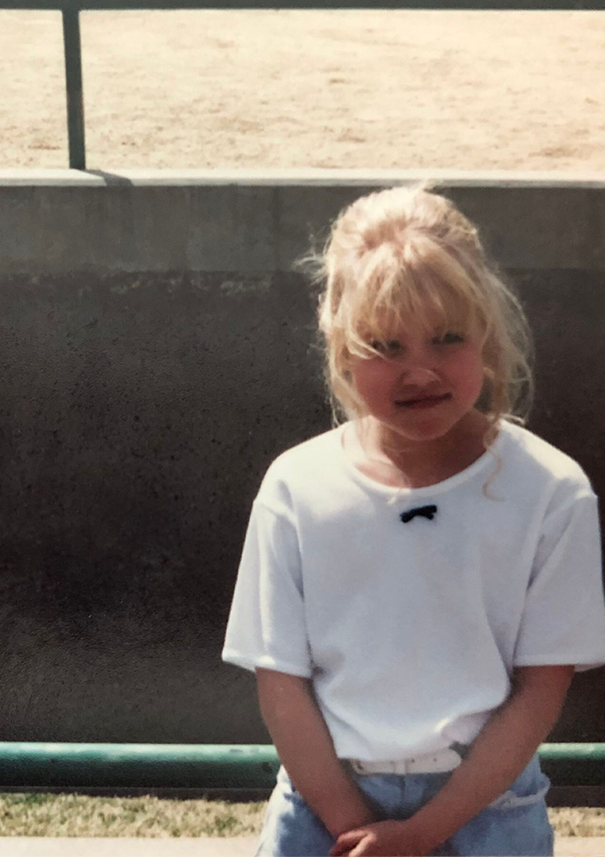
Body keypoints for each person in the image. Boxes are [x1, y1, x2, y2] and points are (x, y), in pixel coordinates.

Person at [222, 185, 605, 857]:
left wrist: (425, 831)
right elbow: (281, 682)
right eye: (385, 344)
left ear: (485, 331)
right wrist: (352, 826)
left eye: (447, 337)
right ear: (341, 347)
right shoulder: (294, 487)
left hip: (491, 811)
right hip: (322, 808)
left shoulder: (552, 491)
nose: (419, 368)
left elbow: (542, 687)